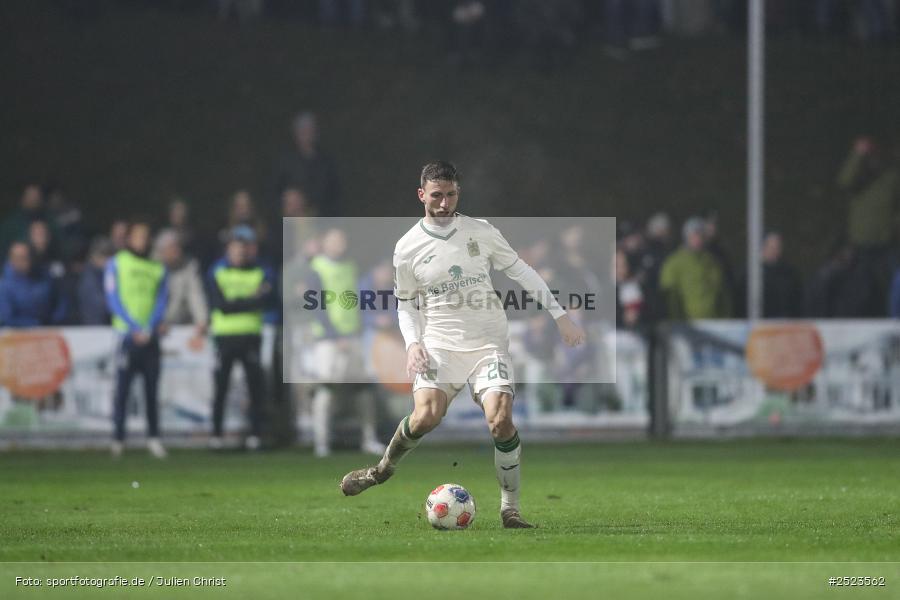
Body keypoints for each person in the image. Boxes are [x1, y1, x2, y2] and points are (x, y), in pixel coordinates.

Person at [340, 161, 586, 529]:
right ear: (422, 194)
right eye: (436, 196)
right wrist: (413, 345)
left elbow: (521, 270)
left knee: (501, 420)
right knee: (426, 416)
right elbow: (406, 302)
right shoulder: (407, 247)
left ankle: (510, 509)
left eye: (451, 194)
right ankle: (382, 469)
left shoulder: (481, 232)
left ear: (458, 192)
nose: (443, 203)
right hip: (439, 345)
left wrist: (559, 314)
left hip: (488, 344)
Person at [306, 228, 385, 457]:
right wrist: (334, 334)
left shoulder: (351, 266)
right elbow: (316, 304)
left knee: (363, 389)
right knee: (327, 389)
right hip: (328, 340)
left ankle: (368, 439)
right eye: (333, 240)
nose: (338, 244)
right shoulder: (316, 268)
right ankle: (321, 443)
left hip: (353, 336)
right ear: (324, 243)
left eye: (342, 240)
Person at [105, 219, 169, 458]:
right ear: (129, 238)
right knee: (122, 391)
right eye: (138, 235)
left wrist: (149, 326)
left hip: (150, 337)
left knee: (152, 392)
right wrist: (134, 327)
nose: (143, 240)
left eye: (146, 236)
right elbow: (114, 300)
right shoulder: (117, 264)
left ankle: (153, 438)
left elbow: (162, 300)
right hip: (126, 336)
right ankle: (118, 439)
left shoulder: (158, 267)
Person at [207, 226, 275, 450]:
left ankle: (255, 435)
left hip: (250, 335)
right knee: (221, 387)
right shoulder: (218, 271)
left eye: (243, 249)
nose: (240, 253)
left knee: (256, 388)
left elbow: (265, 300)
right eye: (236, 249)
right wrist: (249, 300)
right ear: (228, 250)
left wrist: (235, 302)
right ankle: (216, 435)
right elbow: (220, 305)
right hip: (224, 337)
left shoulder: (259, 271)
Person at [659, 217, 731, 319]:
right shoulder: (674, 263)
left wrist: (725, 318)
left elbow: (723, 293)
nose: (698, 239)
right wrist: (676, 320)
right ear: (686, 237)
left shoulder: (712, 262)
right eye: (694, 235)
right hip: (686, 324)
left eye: (701, 235)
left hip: (714, 323)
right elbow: (669, 296)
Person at [273, 112, 341, 217]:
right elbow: (274, 194)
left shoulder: (326, 163)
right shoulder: (284, 162)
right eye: (302, 130)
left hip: (321, 220)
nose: (306, 134)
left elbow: (335, 196)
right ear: (295, 133)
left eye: (309, 130)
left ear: (316, 132)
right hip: (291, 222)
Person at [153, 229, 208, 341]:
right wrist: (156, 322)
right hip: (151, 326)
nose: (178, 251)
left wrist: (202, 321)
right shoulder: (150, 266)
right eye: (173, 247)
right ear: (162, 250)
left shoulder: (189, 266)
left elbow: (195, 295)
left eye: (178, 246)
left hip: (178, 325)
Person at [0, 241, 67, 327]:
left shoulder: (44, 276)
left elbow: (60, 300)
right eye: (17, 258)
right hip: (19, 334)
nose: (21, 261)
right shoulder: (4, 286)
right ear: (11, 259)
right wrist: (35, 324)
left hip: (51, 330)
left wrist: (55, 320)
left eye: (25, 257)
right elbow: (6, 318)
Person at [760, 231, 803, 318]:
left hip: (785, 325)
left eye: (777, 247)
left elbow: (797, 300)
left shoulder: (789, 273)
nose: (775, 251)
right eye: (771, 247)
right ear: (763, 248)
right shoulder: (751, 274)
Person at [78, 237, 114, 325]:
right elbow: (101, 304)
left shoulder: (104, 274)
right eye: (106, 256)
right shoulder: (89, 278)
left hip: (103, 326)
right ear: (95, 257)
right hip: (94, 328)